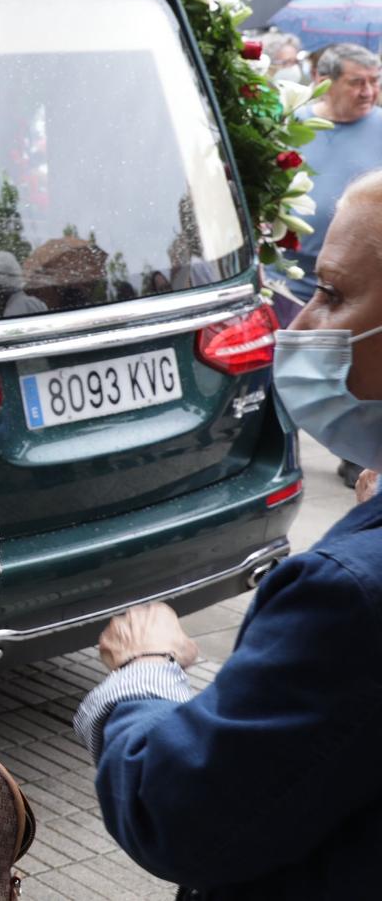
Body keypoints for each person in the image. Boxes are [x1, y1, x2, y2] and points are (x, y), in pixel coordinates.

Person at [72, 168, 382, 900]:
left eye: (333, 295)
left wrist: (141, 675)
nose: (301, 324)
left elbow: (178, 811)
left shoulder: (347, 595)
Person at [280, 45, 382, 484]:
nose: (369, 91)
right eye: (357, 81)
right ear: (325, 82)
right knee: (298, 375)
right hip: (293, 281)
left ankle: (362, 456)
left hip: (362, 291)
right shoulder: (293, 128)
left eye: (374, 81)